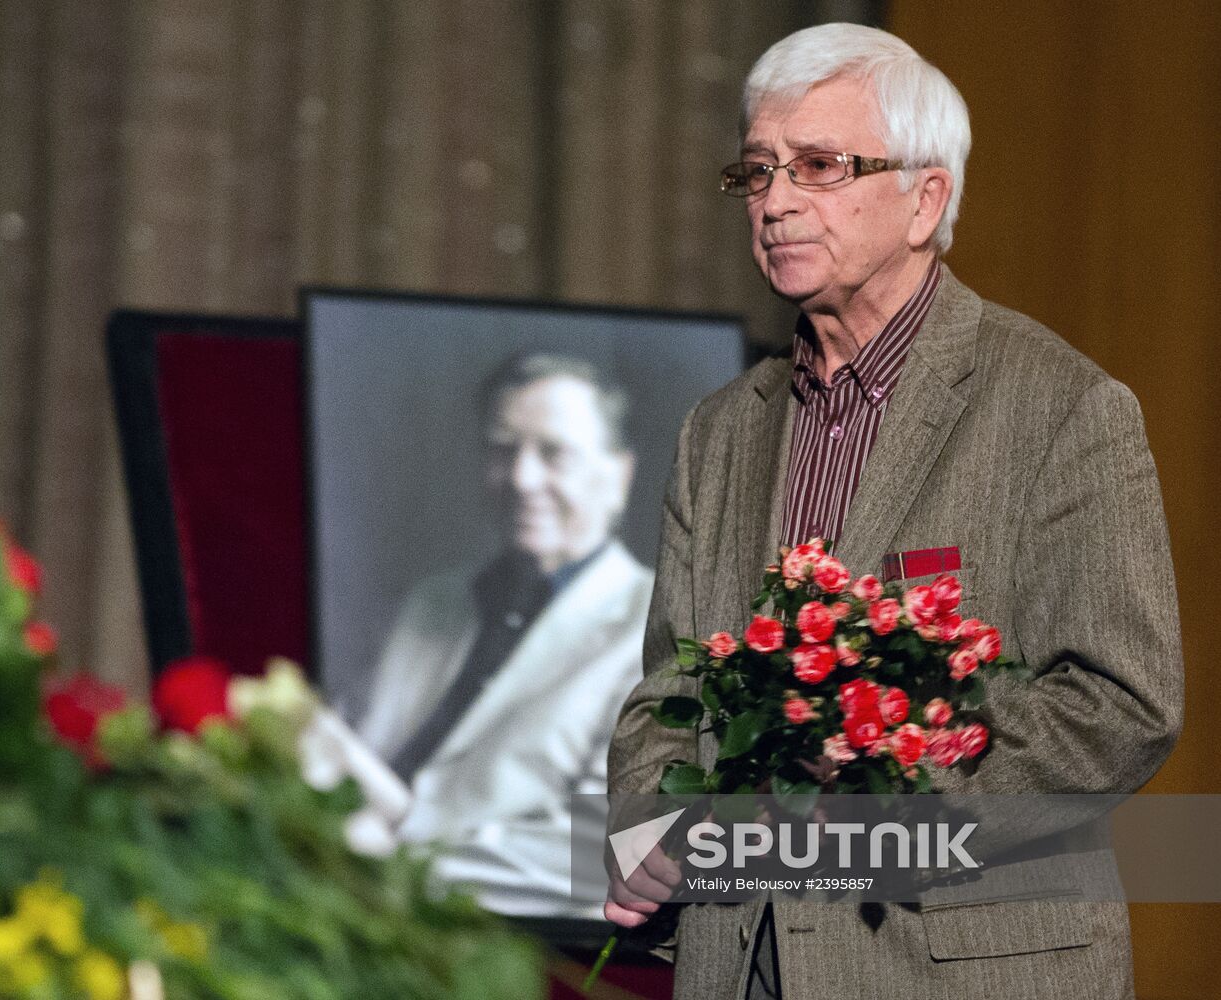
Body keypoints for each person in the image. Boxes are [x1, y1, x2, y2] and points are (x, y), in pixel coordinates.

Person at [603, 22, 1182, 1000]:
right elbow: (670, 687)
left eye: (817, 166)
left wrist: (883, 807)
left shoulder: (1062, 410)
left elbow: (1121, 701)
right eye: (755, 172)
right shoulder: (718, 432)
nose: (776, 201)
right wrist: (654, 816)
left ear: (924, 199)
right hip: (740, 962)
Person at [356, 352, 654, 917]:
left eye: (553, 453)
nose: (522, 478)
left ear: (619, 475)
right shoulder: (432, 604)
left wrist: (387, 868)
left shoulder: (660, 624)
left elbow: (603, 850)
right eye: (503, 449)